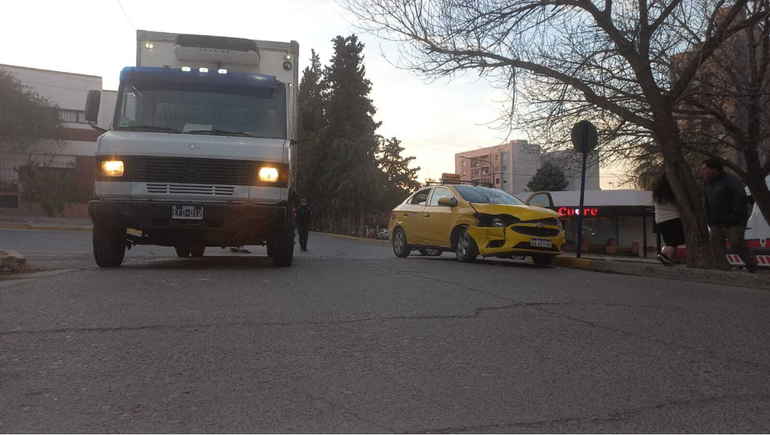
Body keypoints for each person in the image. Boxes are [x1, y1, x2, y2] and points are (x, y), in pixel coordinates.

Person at [701, 158, 758, 273]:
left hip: (734, 220)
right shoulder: (707, 183)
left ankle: (751, 263)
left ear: (714, 169)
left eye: (705, 169)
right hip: (716, 220)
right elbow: (707, 202)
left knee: (736, 241)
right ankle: (722, 268)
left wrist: (735, 215)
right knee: (715, 242)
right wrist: (709, 218)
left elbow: (740, 198)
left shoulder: (731, 180)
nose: (702, 172)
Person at [653, 174, 685, 267]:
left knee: (669, 241)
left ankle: (663, 255)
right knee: (673, 242)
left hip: (660, 219)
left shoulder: (657, 193)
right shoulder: (673, 192)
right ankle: (669, 259)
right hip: (673, 218)